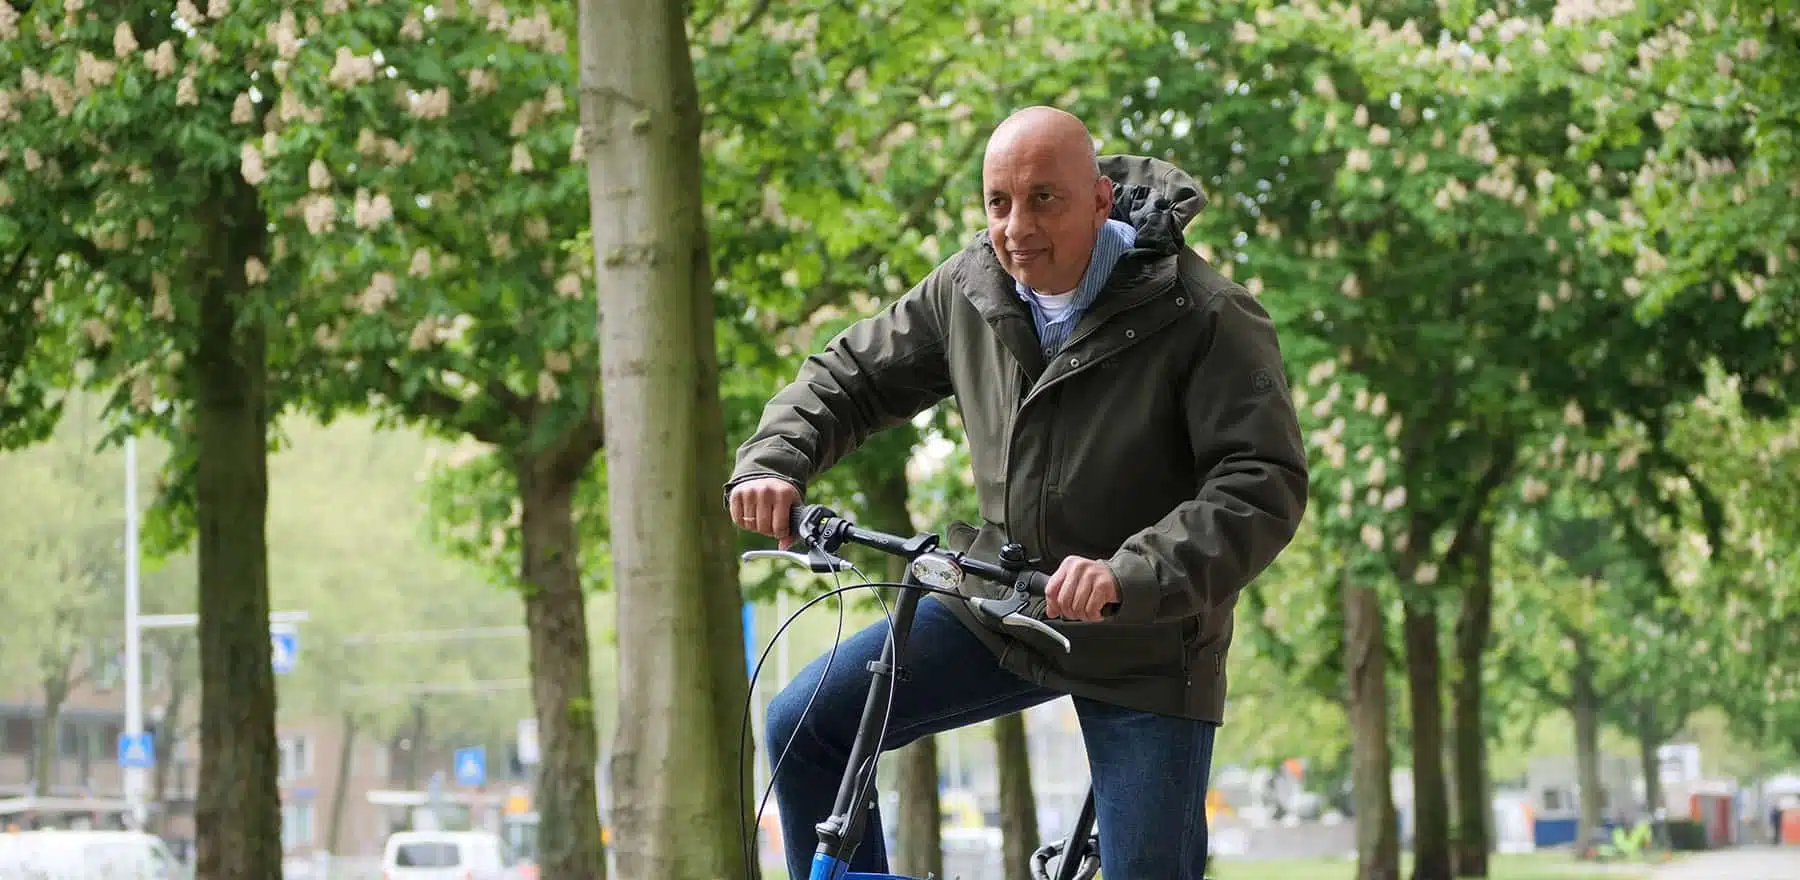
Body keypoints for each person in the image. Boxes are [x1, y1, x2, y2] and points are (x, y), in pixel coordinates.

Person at [727, 106, 1309, 878]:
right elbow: (852, 376)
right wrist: (775, 459)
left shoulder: (1205, 316)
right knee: (808, 725)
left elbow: (1259, 483)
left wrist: (1125, 575)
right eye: (997, 202)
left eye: (1044, 199)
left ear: (1101, 200)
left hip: (1147, 641)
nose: (1014, 226)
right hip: (1000, 604)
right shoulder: (969, 290)